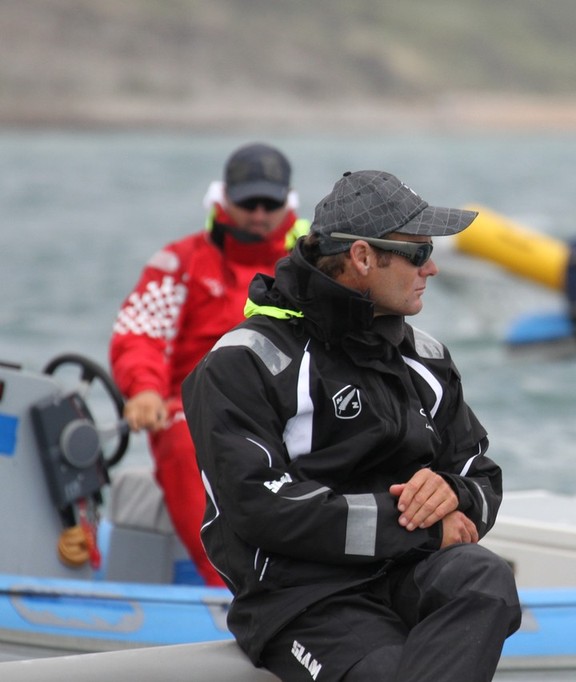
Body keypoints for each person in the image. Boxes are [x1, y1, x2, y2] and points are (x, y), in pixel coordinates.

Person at [181, 170, 521, 681]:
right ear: (362, 257)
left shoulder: (426, 356)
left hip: (404, 573)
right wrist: (423, 527)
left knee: (486, 579)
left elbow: (481, 474)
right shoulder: (242, 363)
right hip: (303, 598)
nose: (432, 268)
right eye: (419, 251)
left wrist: (451, 492)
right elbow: (264, 510)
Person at [110, 143, 309, 586]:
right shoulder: (179, 263)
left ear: (288, 201)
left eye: (270, 204)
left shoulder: (314, 262)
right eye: (247, 203)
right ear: (223, 199)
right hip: (196, 411)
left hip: (293, 406)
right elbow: (140, 330)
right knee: (184, 443)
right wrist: (143, 388)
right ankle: (232, 588)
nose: (258, 214)